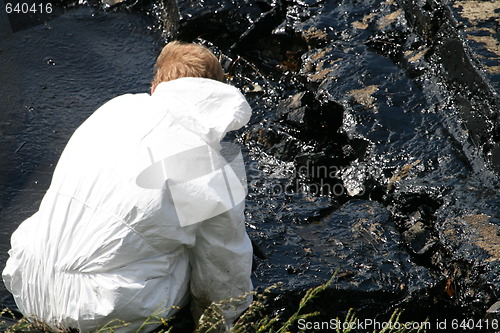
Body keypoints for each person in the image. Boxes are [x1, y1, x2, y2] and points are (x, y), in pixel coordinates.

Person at [2, 41, 254, 332]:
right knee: (202, 252)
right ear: (216, 96)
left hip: (28, 281)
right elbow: (223, 267)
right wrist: (219, 323)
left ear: (155, 86)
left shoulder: (113, 110)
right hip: (100, 310)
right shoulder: (206, 161)